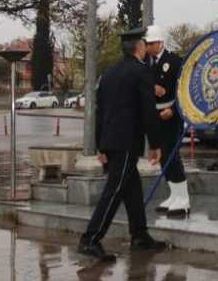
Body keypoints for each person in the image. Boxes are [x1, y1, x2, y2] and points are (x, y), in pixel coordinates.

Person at [78, 27, 165, 261]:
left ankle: (139, 235)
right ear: (140, 48)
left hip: (112, 141)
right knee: (115, 190)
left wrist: (100, 146)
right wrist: (156, 144)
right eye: (145, 45)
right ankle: (90, 239)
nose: (147, 49)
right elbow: (148, 111)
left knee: (132, 188)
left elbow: (100, 111)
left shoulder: (109, 73)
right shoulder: (141, 72)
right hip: (126, 142)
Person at [144, 24, 190, 217]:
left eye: (151, 43)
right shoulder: (148, 64)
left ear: (160, 42)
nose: (148, 46)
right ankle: (174, 194)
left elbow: (182, 89)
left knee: (172, 155)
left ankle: (184, 198)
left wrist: (172, 108)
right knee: (162, 155)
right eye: (147, 43)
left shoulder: (174, 61)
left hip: (171, 114)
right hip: (156, 115)